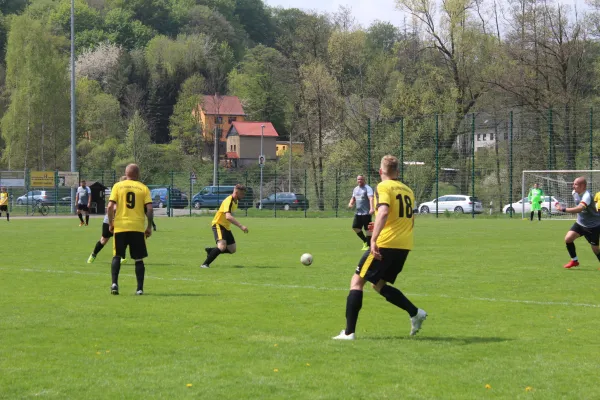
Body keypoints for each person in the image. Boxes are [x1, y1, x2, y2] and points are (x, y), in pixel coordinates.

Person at [333, 155, 427, 340]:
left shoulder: (383, 187)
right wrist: (377, 225)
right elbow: (406, 218)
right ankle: (415, 313)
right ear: (398, 172)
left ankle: (348, 332)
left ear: (380, 171)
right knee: (378, 284)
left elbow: (383, 211)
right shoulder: (408, 190)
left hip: (385, 243)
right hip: (404, 245)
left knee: (357, 281)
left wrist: (373, 239)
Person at [107, 164, 153, 295]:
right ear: (138, 174)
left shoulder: (117, 186)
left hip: (120, 226)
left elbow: (110, 207)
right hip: (137, 227)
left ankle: (114, 284)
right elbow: (149, 209)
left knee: (117, 256)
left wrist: (111, 223)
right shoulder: (143, 188)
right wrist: (149, 226)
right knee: (138, 259)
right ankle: (139, 289)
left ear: (126, 173)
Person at [555, 176, 600, 269]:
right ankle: (574, 261)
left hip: (592, 226)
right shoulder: (574, 193)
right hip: (580, 223)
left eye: (575, 184)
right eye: (573, 184)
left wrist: (563, 209)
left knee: (595, 248)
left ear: (583, 186)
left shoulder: (587, 196)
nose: (573, 186)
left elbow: (579, 208)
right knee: (568, 239)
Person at [201, 184, 249, 268]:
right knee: (222, 246)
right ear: (236, 192)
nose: (243, 195)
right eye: (242, 194)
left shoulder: (236, 201)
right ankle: (205, 264)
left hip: (226, 226)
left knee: (232, 249)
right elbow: (228, 216)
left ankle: (211, 251)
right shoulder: (229, 200)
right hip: (218, 224)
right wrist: (241, 226)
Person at [87, 177, 128, 264]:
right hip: (110, 220)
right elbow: (113, 208)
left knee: (122, 239)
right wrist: (111, 222)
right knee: (104, 240)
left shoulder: (127, 194)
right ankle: (93, 255)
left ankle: (121, 257)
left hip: (120, 220)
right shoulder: (118, 192)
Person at [349, 175, 374, 250]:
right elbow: (353, 198)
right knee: (355, 227)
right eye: (358, 179)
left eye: (361, 179)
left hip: (366, 213)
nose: (360, 180)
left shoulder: (368, 188)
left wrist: (372, 208)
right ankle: (365, 241)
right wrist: (351, 203)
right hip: (358, 213)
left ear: (364, 180)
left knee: (368, 230)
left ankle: (368, 245)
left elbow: (371, 198)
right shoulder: (355, 189)